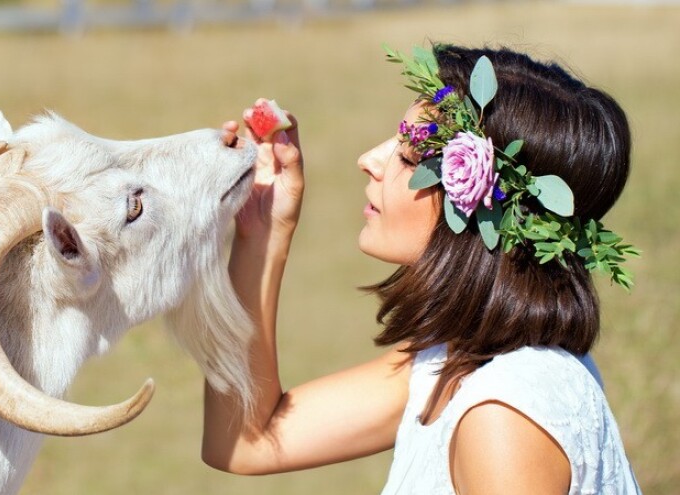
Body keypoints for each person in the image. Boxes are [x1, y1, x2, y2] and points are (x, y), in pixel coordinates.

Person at [203, 44, 642, 494]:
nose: (369, 160)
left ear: (481, 209)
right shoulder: (456, 361)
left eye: (410, 157)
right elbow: (244, 441)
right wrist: (263, 234)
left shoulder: (504, 416)